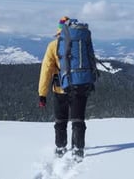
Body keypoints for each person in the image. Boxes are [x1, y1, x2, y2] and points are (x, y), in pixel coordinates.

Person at [38, 16, 95, 161]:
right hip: (80, 85)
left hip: (60, 89)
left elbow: (46, 70)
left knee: (60, 121)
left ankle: (60, 148)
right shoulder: (80, 43)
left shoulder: (53, 46)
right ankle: (78, 151)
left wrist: (42, 94)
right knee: (78, 120)